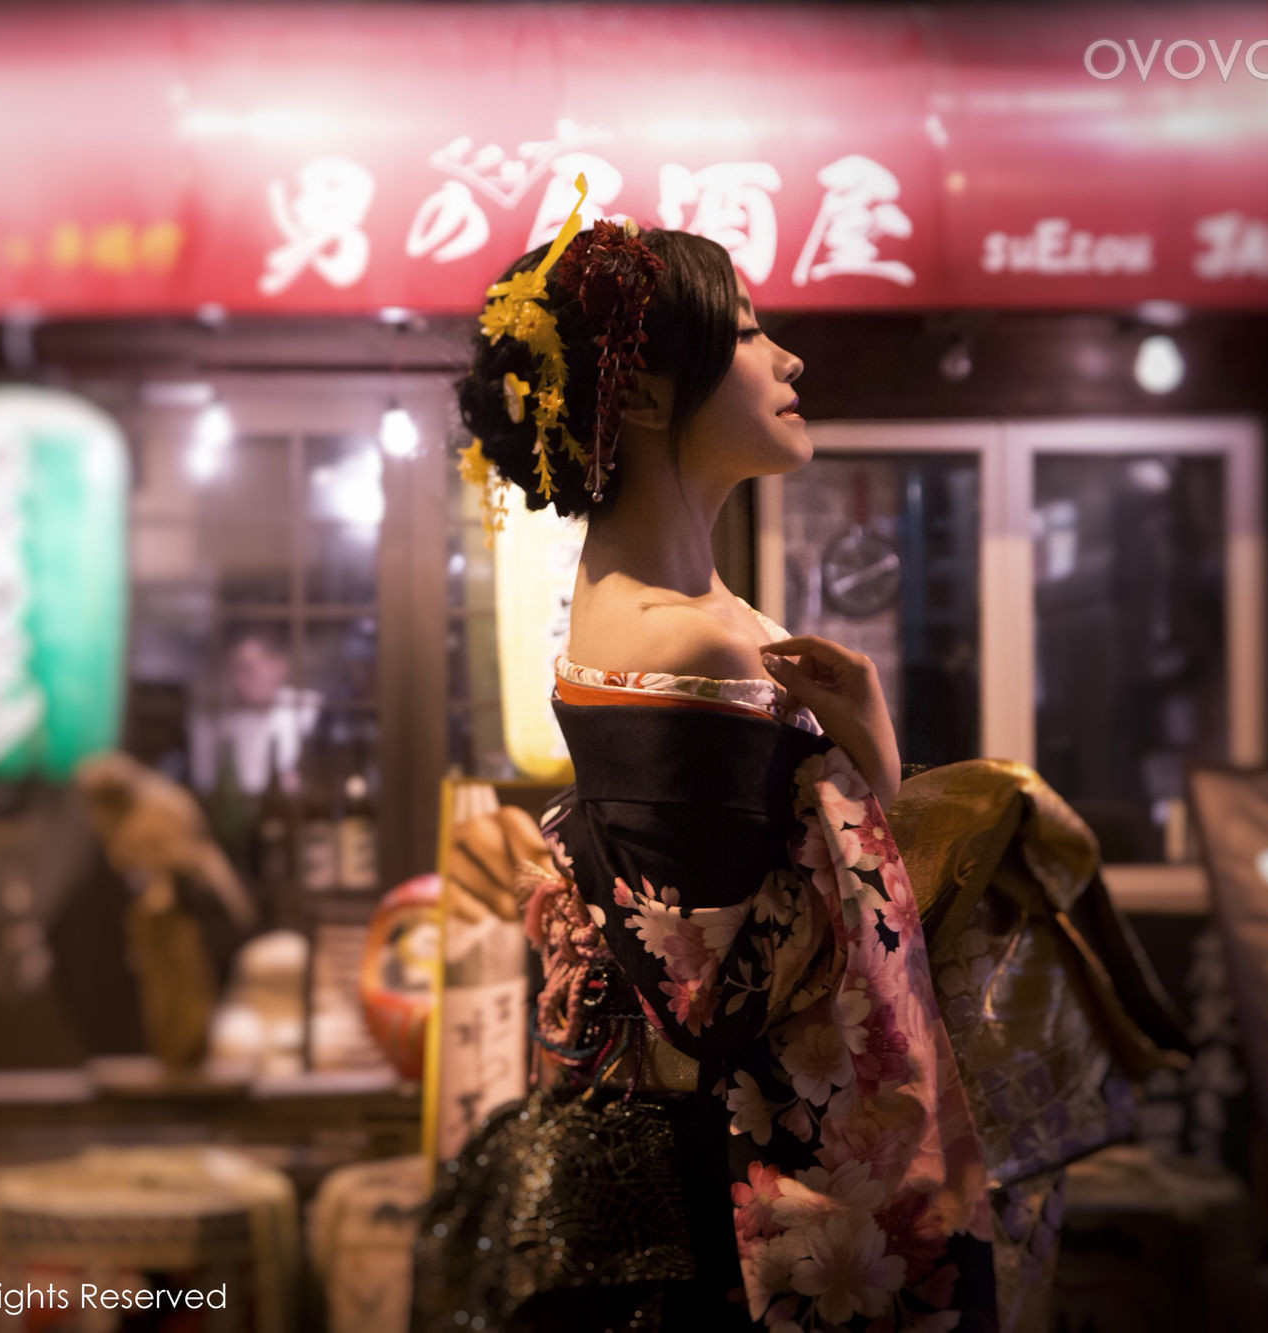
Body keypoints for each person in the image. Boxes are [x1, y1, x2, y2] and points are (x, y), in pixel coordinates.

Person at [413, 178, 997, 1331]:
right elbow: (718, 984)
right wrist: (863, 764)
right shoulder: (683, 636)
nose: (786, 358)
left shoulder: (673, 610)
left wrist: (860, 743)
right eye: (745, 332)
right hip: (730, 1196)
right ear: (638, 392)